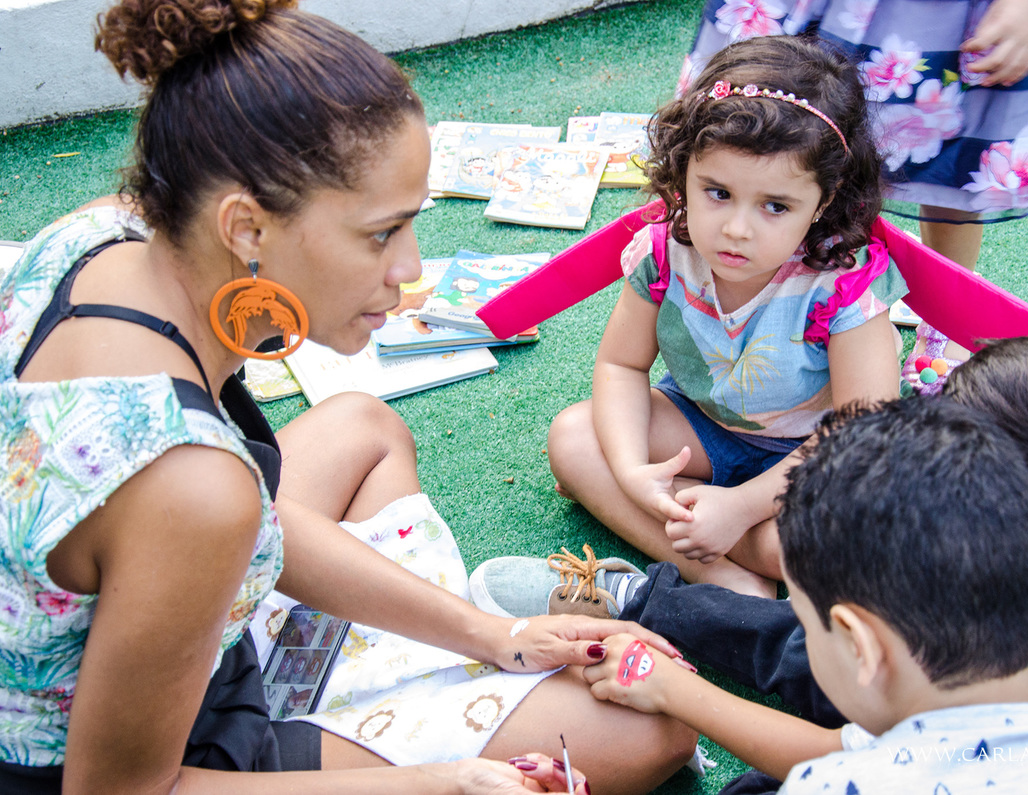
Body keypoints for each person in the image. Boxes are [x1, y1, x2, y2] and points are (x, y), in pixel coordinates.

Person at [0, 1, 698, 792]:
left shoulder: (101, 233)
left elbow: (231, 524)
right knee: (649, 733)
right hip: (123, 752)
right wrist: (437, 782)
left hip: (149, 609)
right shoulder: (194, 489)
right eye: (380, 233)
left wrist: (496, 634)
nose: (407, 268)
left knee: (361, 425)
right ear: (246, 227)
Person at [472, 335, 1028, 783]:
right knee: (797, 630)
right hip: (920, 691)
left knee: (793, 666)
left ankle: (674, 616)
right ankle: (647, 602)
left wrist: (675, 692)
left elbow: (853, 761)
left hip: (926, 745)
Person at [547, 36, 906, 599]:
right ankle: (714, 567)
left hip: (818, 457)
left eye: (775, 206)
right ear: (685, 168)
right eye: (717, 192)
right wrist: (632, 473)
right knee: (574, 438)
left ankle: (737, 542)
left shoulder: (843, 280)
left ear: (825, 196)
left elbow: (861, 428)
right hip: (703, 426)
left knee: (830, 549)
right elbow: (621, 365)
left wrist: (739, 508)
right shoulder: (664, 252)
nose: (738, 229)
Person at [679, 0, 1028, 394]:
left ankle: (941, 321)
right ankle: (776, 289)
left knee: (951, 164)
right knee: (762, 142)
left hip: (947, 19)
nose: (737, 224)